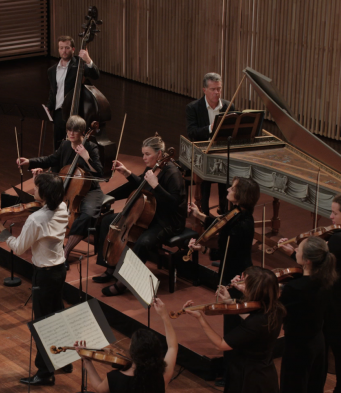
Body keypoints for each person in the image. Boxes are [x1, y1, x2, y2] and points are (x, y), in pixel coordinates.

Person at [281, 191, 341, 393]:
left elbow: (319, 267)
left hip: (336, 298)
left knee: (329, 344)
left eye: (335, 213)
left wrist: (293, 253)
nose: (331, 218)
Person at [183, 266, 285, 393]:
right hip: (263, 375)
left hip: (249, 380)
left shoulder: (256, 323)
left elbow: (221, 345)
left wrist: (201, 318)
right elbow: (252, 321)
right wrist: (230, 303)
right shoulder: (276, 309)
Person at [0, 173, 70, 386]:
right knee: (57, 317)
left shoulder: (36, 219)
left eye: (36, 188)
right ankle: (64, 360)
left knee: (43, 323)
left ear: (44, 193)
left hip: (44, 274)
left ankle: (44, 373)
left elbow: (18, 247)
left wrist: (0, 227)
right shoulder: (62, 207)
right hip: (60, 270)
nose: (33, 191)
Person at [92, 133, 186, 296]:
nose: (143, 157)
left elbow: (174, 203)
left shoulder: (172, 173)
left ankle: (123, 283)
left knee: (143, 242)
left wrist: (156, 186)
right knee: (108, 220)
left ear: (159, 154)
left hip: (168, 221)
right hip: (149, 214)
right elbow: (141, 185)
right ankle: (110, 267)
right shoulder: (153, 167)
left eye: (147, 154)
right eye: (143, 153)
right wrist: (127, 173)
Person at [188, 176, 260, 386]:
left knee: (233, 325)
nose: (228, 188)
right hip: (232, 271)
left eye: (233, 187)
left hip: (237, 276)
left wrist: (205, 248)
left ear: (241, 195)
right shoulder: (236, 213)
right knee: (230, 323)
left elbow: (229, 249)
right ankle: (230, 367)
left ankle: (233, 373)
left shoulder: (243, 223)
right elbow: (220, 223)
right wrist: (200, 215)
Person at [74, 297, 178, 393]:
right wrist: (165, 315)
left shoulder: (115, 378)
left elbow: (99, 388)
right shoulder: (160, 377)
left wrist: (87, 361)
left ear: (132, 352)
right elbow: (173, 347)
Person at [17, 115, 104, 270]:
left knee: (87, 215)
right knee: (49, 204)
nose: (71, 133)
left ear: (83, 132)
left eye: (75, 130)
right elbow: (51, 159)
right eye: (69, 130)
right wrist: (30, 161)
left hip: (90, 190)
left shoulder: (91, 147)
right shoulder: (65, 145)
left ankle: (65, 251)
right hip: (69, 188)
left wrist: (86, 157)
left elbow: (99, 173)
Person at [271, 236, 337, 393]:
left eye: (298, 249)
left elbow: (276, 313)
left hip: (298, 348)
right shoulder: (327, 279)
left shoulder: (295, 288)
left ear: (307, 260)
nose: (295, 252)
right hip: (317, 344)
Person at [186, 72, 235, 215]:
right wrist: (210, 128)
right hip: (203, 154)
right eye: (213, 89)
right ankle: (205, 215)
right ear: (204, 90)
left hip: (222, 152)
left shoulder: (228, 107)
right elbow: (191, 132)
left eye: (219, 89)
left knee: (226, 181)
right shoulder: (193, 108)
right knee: (205, 182)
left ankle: (224, 212)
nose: (217, 92)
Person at [47, 35, 100, 150]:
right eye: (61, 48)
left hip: (75, 112)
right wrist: (49, 107)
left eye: (66, 48)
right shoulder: (52, 70)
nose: (64, 51)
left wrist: (88, 60)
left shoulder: (79, 65)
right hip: (58, 113)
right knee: (58, 145)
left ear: (73, 49)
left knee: (75, 146)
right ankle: (59, 168)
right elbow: (54, 92)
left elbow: (96, 75)